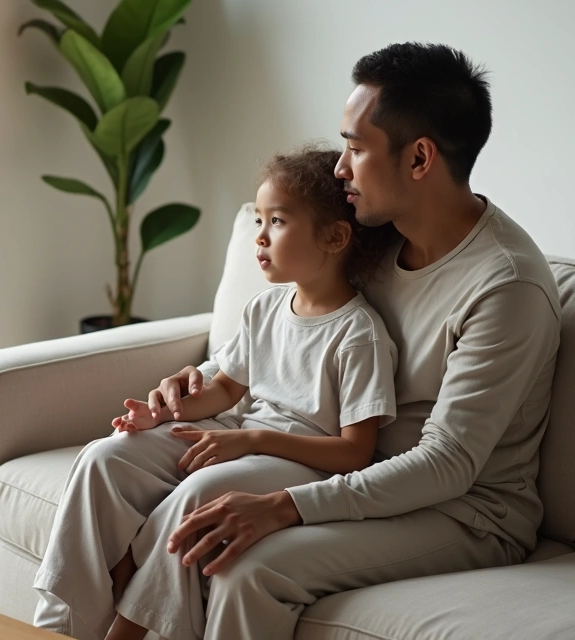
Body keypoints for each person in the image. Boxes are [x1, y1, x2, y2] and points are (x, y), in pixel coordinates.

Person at [151, 42, 563, 639]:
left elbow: (446, 466)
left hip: (464, 513)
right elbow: (297, 327)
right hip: (352, 468)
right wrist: (206, 377)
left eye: (356, 147)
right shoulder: (375, 242)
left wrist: (283, 506)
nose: (340, 169)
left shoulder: (507, 287)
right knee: (161, 491)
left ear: (419, 158)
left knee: (246, 565)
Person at [31, 145, 401, 640]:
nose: (260, 237)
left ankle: (128, 630)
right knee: (105, 457)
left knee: (200, 495)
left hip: (300, 461)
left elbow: (356, 452)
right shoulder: (266, 308)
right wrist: (164, 415)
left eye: (278, 222)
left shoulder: (359, 333)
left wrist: (251, 443)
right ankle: (59, 625)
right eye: (260, 221)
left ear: (334, 237)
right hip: (239, 435)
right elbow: (227, 387)